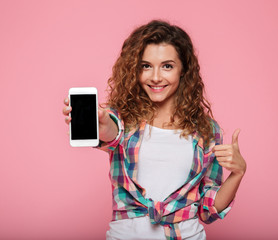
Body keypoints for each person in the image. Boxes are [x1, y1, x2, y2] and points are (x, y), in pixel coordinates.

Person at [62, 20, 246, 240]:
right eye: (146, 66)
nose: (156, 77)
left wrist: (237, 173)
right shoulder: (122, 119)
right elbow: (113, 133)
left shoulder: (207, 130)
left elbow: (208, 210)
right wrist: (102, 126)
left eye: (167, 66)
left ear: (183, 70)